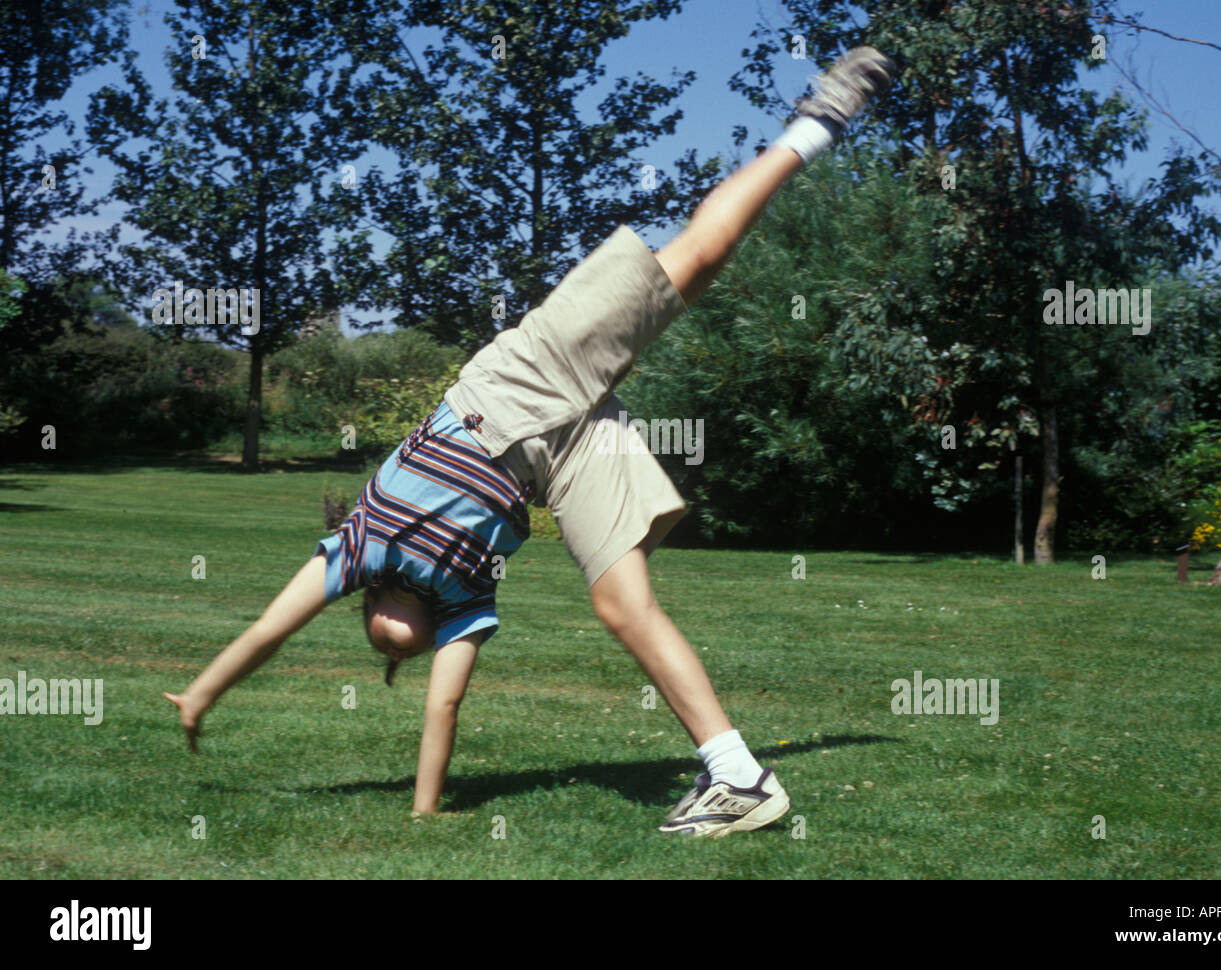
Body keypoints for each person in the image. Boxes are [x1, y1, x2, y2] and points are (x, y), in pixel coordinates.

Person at [164, 45, 896, 838]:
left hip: (518, 385)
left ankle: (816, 124)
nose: (395, 654)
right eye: (398, 660)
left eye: (384, 643)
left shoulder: (359, 547)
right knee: (622, 603)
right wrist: (422, 811)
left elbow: (272, 627)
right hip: (560, 462)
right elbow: (444, 705)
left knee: (698, 257)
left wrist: (204, 689)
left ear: (368, 597)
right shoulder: (459, 605)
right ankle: (738, 776)